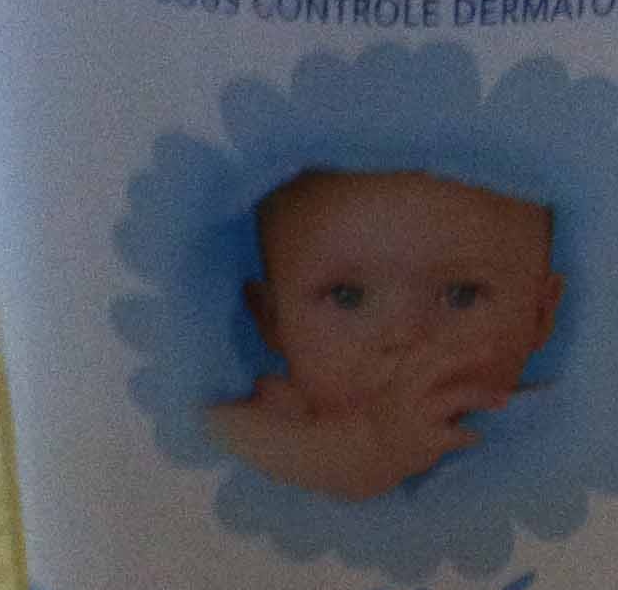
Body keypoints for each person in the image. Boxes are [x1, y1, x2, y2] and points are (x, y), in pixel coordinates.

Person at [207, 166, 564, 500]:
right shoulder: (284, 425)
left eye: (461, 295)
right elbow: (206, 443)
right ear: (271, 320)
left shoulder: (554, 422)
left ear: (540, 315)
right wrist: (363, 453)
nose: (404, 337)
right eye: (348, 296)